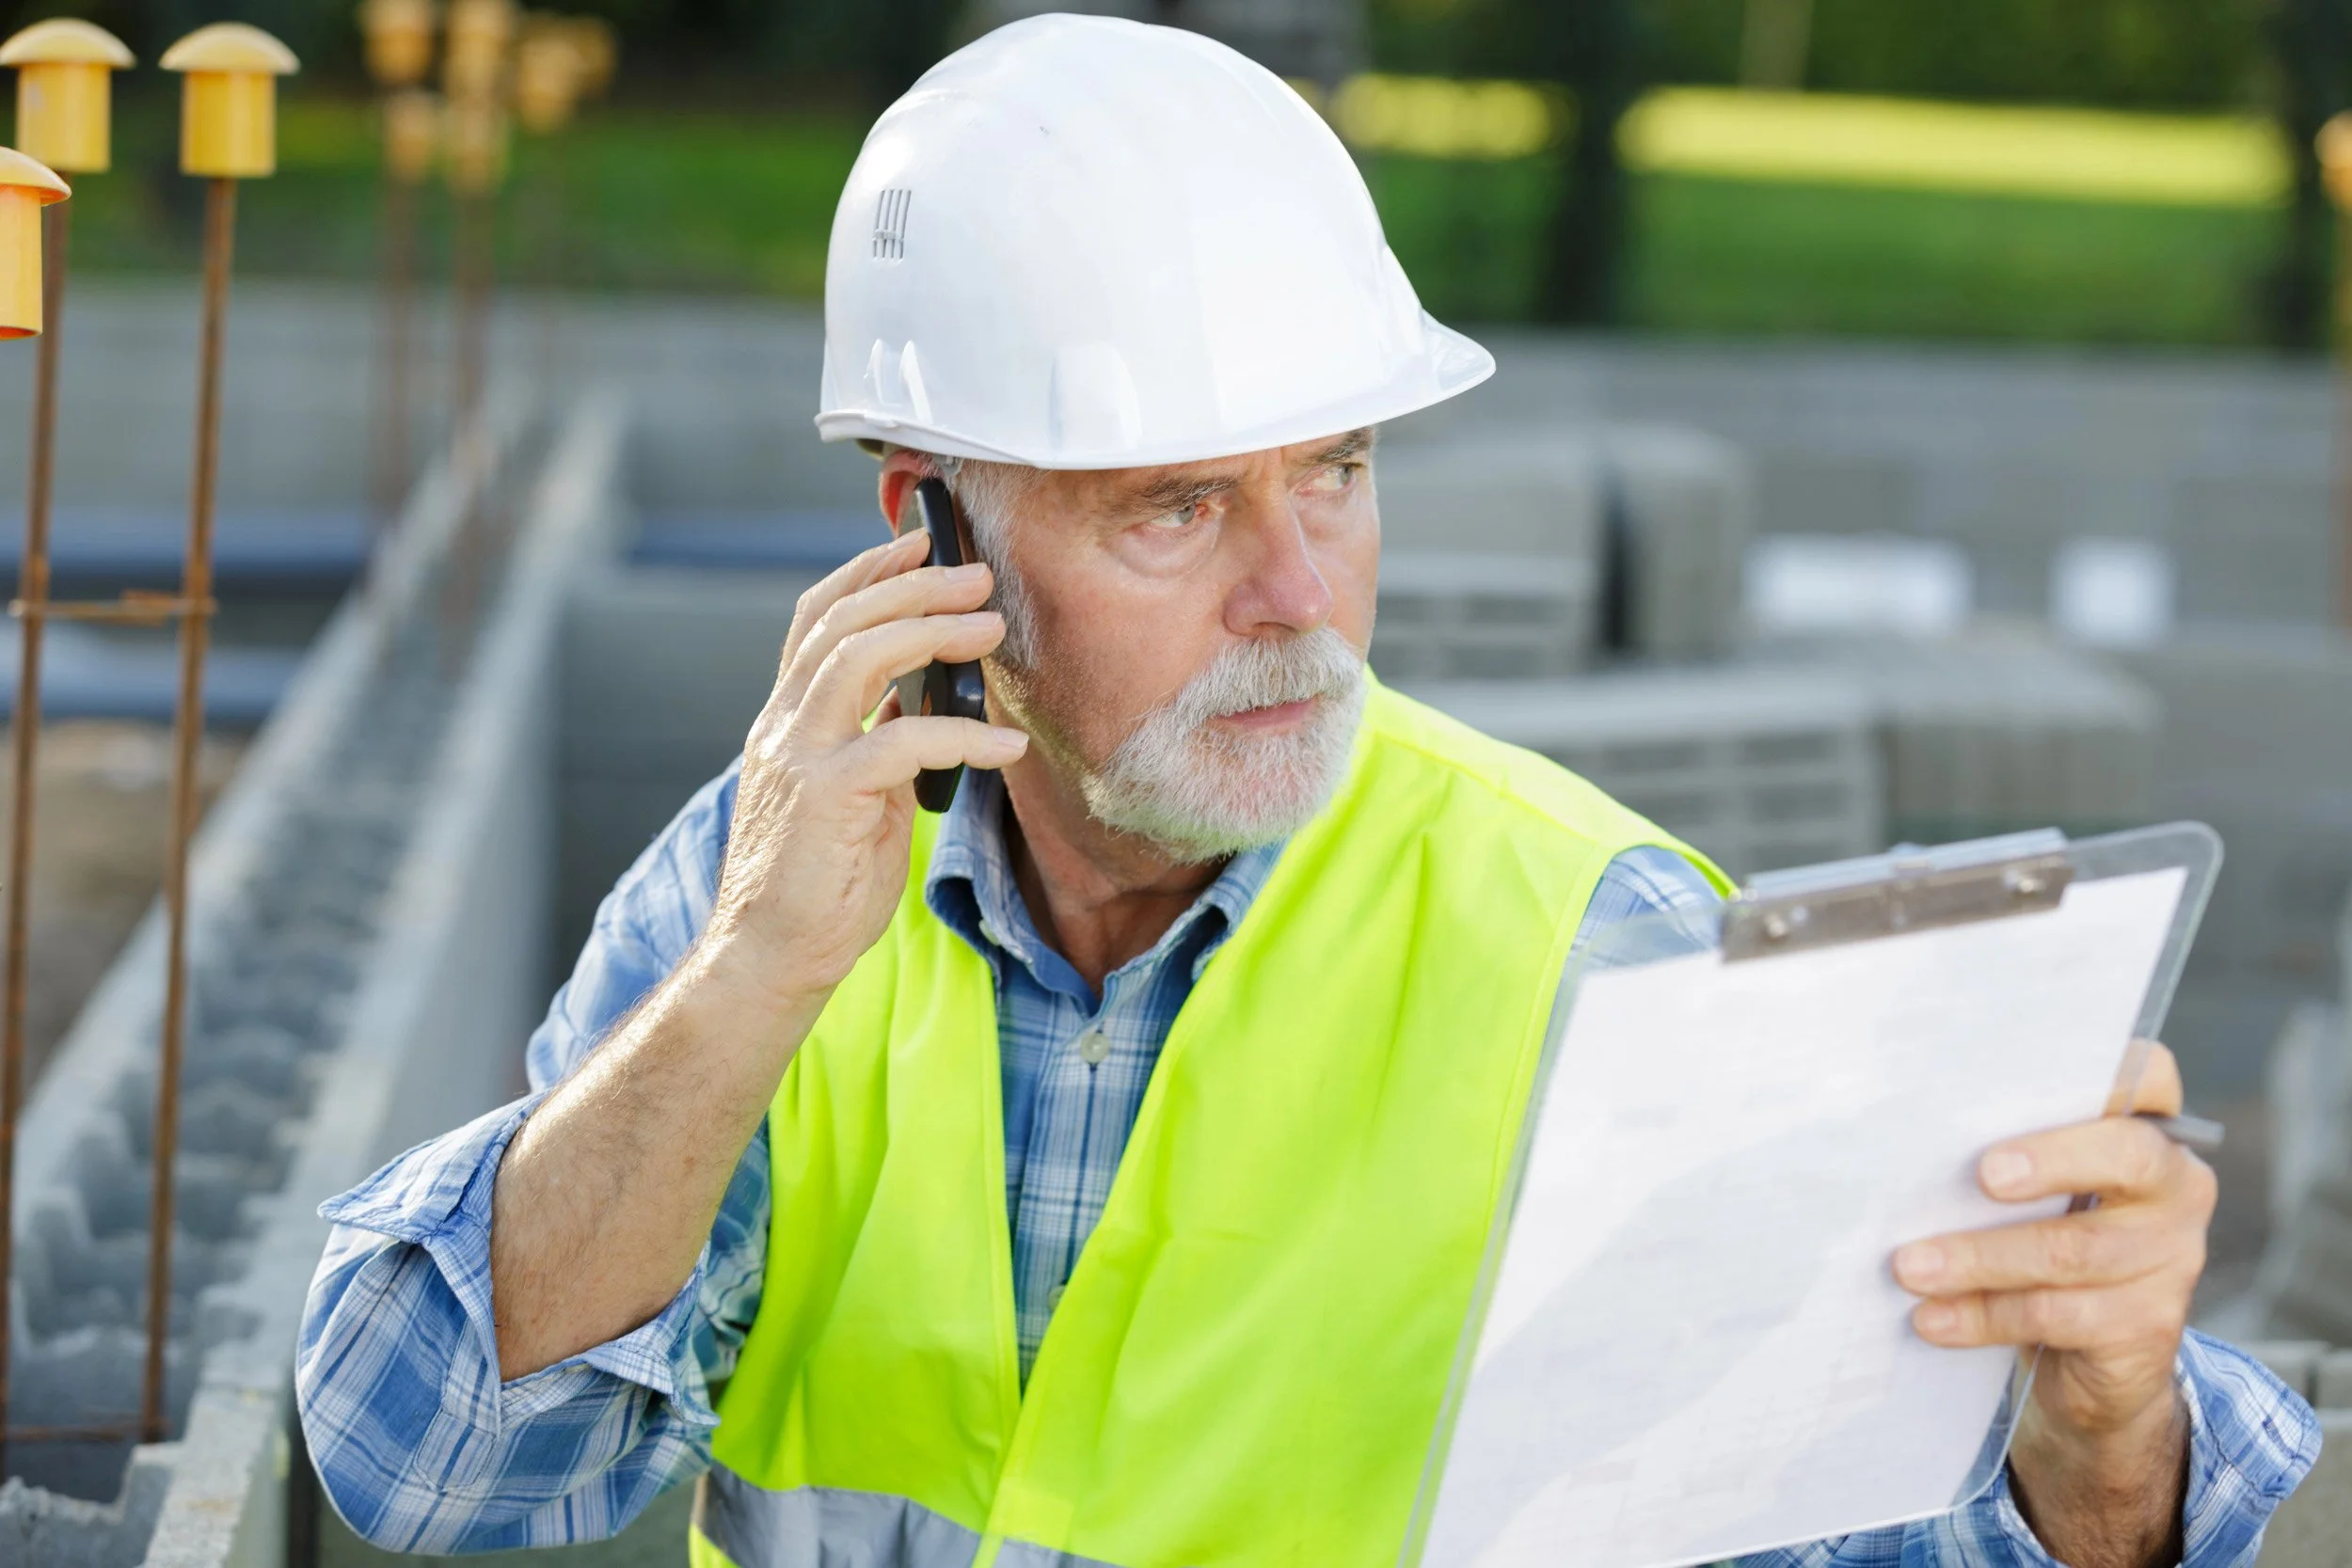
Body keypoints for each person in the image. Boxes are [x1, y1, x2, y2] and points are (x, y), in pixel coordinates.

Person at [296, 16, 2316, 1568]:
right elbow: (434, 1468)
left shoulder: (1581, 939)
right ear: (930, 532)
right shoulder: (765, 891)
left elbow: (1859, 1532)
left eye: (1335, 472)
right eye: (1176, 506)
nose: (1298, 596)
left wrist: (2101, 1441)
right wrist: (748, 980)